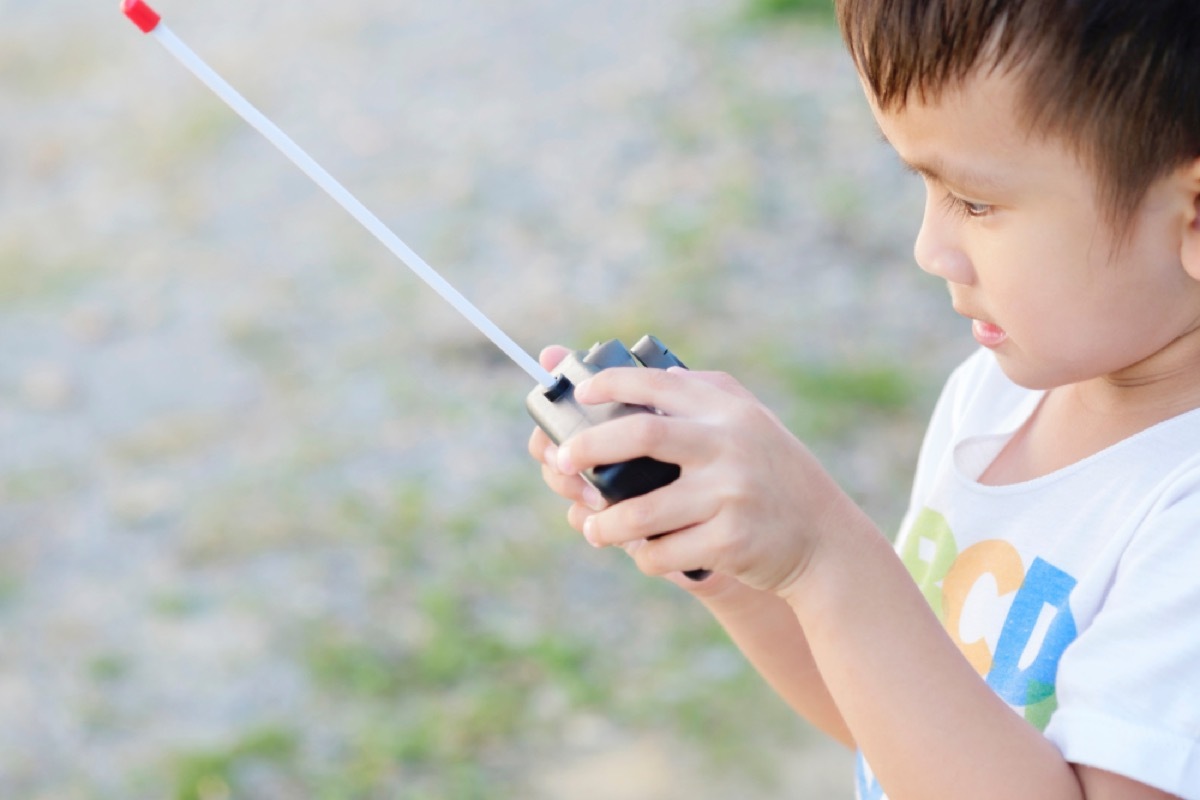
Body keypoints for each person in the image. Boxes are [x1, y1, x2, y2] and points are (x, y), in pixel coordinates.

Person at [528, 0, 1200, 797]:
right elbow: (892, 731)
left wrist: (826, 554)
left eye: (976, 202)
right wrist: (745, 565)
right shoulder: (994, 399)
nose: (929, 248)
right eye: (924, 184)